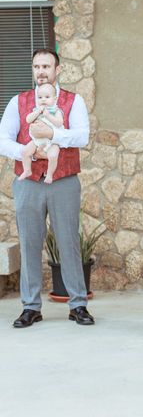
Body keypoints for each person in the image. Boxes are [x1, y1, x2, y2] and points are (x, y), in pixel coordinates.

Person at [0, 48, 94, 327]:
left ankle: (78, 304)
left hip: (63, 180)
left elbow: (82, 136)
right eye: (37, 67)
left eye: (46, 66)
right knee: (29, 243)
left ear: (58, 70)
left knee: (69, 242)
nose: (41, 71)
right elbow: (3, 139)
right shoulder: (20, 101)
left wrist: (52, 134)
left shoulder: (72, 101)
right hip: (28, 182)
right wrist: (28, 153)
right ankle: (31, 307)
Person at [19, 82, 64, 184]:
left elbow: (59, 123)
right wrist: (37, 112)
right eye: (40, 97)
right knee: (25, 152)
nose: (43, 99)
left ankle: (49, 174)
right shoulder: (36, 110)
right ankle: (27, 170)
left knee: (53, 156)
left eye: (47, 97)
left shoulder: (56, 111)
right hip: (36, 141)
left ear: (55, 99)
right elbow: (28, 119)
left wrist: (48, 115)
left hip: (52, 142)